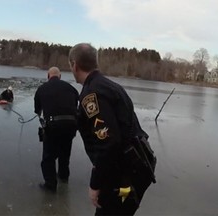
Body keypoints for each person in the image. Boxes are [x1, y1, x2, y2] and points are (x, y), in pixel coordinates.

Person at [68, 43, 156, 215]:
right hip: (135, 168)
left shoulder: (93, 95)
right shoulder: (111, 87)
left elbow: (108, 143)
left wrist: (95, 184)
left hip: (124, 176)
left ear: (74, 65)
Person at [34, 66, 79, 192]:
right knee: (65, 152)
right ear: (60, 76)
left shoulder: (42, 89)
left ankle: (50, 184)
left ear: (48, 76)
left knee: (48, 156)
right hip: (71, 125)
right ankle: (64, 176)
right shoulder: (71, 88)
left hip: (53, 126)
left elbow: (37, 109)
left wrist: (43, 117)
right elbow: (76, 104)